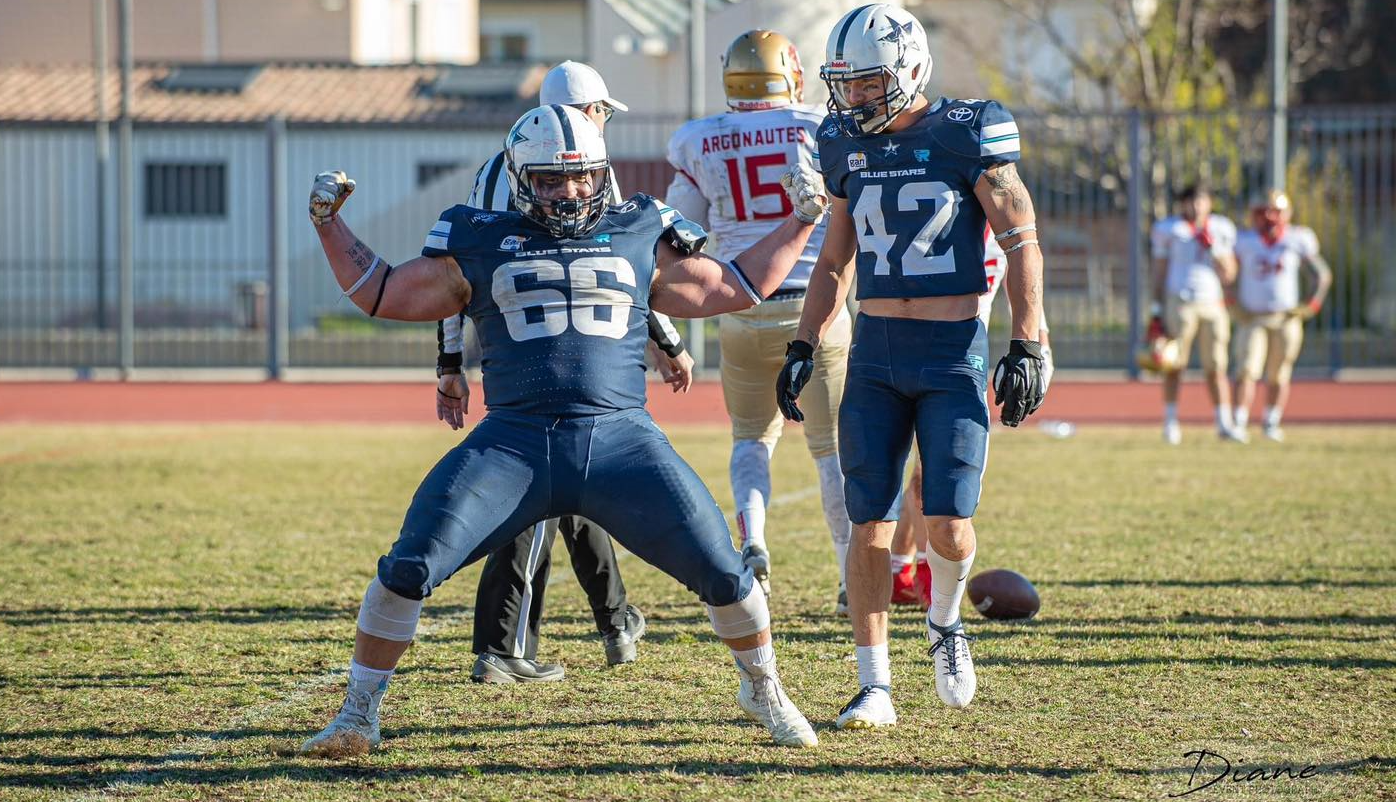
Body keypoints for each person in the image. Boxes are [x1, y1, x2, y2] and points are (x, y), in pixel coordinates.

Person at [301, 102, 830, 755]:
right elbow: (382, 292)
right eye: (550, 179)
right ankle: (357, 714)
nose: (569, 191)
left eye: (581, 177)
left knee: (725, 573)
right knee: (406, 567)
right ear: (521, 177)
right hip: (513, 444)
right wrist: (329, 224)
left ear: (600, 173)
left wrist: (803, 217)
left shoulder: (639, 226)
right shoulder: (480, 235)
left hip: (620, 442)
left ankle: (764, 688)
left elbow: (736, 285)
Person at [776, 3, 1047, 726]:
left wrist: (1029, 341)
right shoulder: (838, 141)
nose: (853, 98)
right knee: (868, 520)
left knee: (949, 525)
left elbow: (1021, 239)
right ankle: (874, 685)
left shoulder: (966, 130)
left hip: (949, 353)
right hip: (872, 355)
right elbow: (834, 259)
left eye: (867, 83)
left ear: (909, 69)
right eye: (845, 84)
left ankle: (945, 622)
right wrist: (803, 342)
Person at [434, 61, 694, 684]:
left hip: (532, 347)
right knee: (539, 499)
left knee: (577, 489)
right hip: (555, 352)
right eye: (601, 110)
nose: (601, 123)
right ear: (587, 111)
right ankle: (502, 646)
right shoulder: (568, 174)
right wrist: (667, 336)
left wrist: (449, 361)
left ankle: (615, 619)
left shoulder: (503, 167)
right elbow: (624, 273)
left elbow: (453, 286)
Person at [664, 29, 851, 611]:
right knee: (831, 448)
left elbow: (679, 233)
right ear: (790, 72)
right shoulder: (824, 128)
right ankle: (852, 575)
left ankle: (756, 542)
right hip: (814, 304)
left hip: (741, 303)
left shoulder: (701, 139)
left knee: (751, 438)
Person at [890, 229, 1053, 608]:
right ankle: (926, 572)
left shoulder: (1007, 231)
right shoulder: (939, 218)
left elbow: (1028, 286)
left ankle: (899, 569)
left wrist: (1041, 351)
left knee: (933, 472)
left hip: (967, 363)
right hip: (916, 354)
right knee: (928, 475)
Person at [1231, 188, 1331, 442]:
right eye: (1263, 212)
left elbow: (1321, 274)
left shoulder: (1298, 238)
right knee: (1246, 370)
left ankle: (1271, 421)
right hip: (1252, 316)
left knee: (1280, 372)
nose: (1268, 218)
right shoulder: (1244, 240)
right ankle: (1239, 422)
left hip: (1285, 317)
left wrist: (1312, 305)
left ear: (1286, 214)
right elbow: (1227, 274)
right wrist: (1231, 302)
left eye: (1274, 212)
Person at [1148, 183, 1241, 445]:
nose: (1196, 206)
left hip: (1213, 304)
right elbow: (1159, 269)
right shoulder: (1171, 229)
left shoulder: (1222, 228)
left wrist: (1214, 249)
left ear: (1209, 203)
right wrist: (1156, 308)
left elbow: (1230, 274)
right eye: (1191, 201)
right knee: (1175, 365)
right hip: (1181, 302)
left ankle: (1224, 422)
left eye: (1201, 200)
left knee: (1217, 366)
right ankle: (1170, 422)